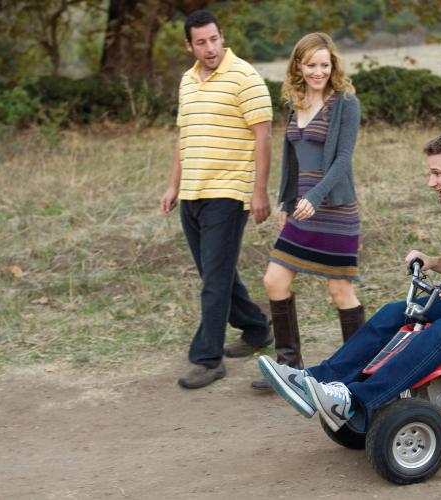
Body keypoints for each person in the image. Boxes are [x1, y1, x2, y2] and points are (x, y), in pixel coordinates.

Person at [258, 132, 441, 431]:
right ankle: (315, 380)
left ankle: (356, 400)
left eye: (437, 173)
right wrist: (434, 262)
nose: (431, 182)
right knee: (396, 312)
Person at [234, 33, 366, 391]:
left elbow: (342, 160)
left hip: (335, 210)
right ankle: (289, 367)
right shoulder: (295, 103)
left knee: (340, 291)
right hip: (303, 209)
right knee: (274, 280)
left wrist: (316, 197)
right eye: (311, 64)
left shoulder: (346, 104)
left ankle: (358, 370)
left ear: (333, 65)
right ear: (299, 66)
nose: (318, 71)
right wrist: (288, 202)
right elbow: (291, 160)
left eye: (324, 64)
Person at [159, 10, 273, 389]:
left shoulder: (245, 78)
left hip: (228, 192)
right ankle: (257, 329)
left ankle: (207, 359)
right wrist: (173, 186)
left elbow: (263, 137)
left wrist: (259, 191)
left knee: (214, 279)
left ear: (222, 36)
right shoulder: (187, 82)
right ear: (189, 45)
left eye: (214, 39)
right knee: (215, 273)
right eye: (201, 42)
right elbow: (183, 138)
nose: (210, 48)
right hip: (192, 191)